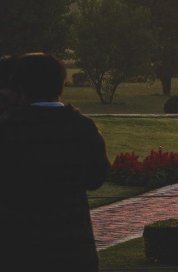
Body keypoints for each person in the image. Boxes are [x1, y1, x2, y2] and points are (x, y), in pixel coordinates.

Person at [0, 53, 110, 272]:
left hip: (19, 246)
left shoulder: (9, 129)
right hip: (74, 245)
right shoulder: (82, 127)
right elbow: (96, 178)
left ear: (19, 86)